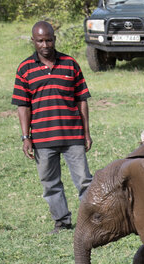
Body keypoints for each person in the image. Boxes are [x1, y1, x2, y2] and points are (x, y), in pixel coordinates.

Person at [12, 21, 93, 234]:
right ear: (33, 41)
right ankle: (62, 222)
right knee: (50, 183)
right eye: (40, 40)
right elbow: (23, 105)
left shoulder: (70, 64)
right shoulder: (24, 68)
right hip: (42, 139)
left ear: (54, 39)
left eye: (48, 39)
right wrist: (25, 137)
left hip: (72, 135)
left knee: (85, 181)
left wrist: (86, 133)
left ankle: (93, 222)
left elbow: (82, 100)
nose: (45, 44)